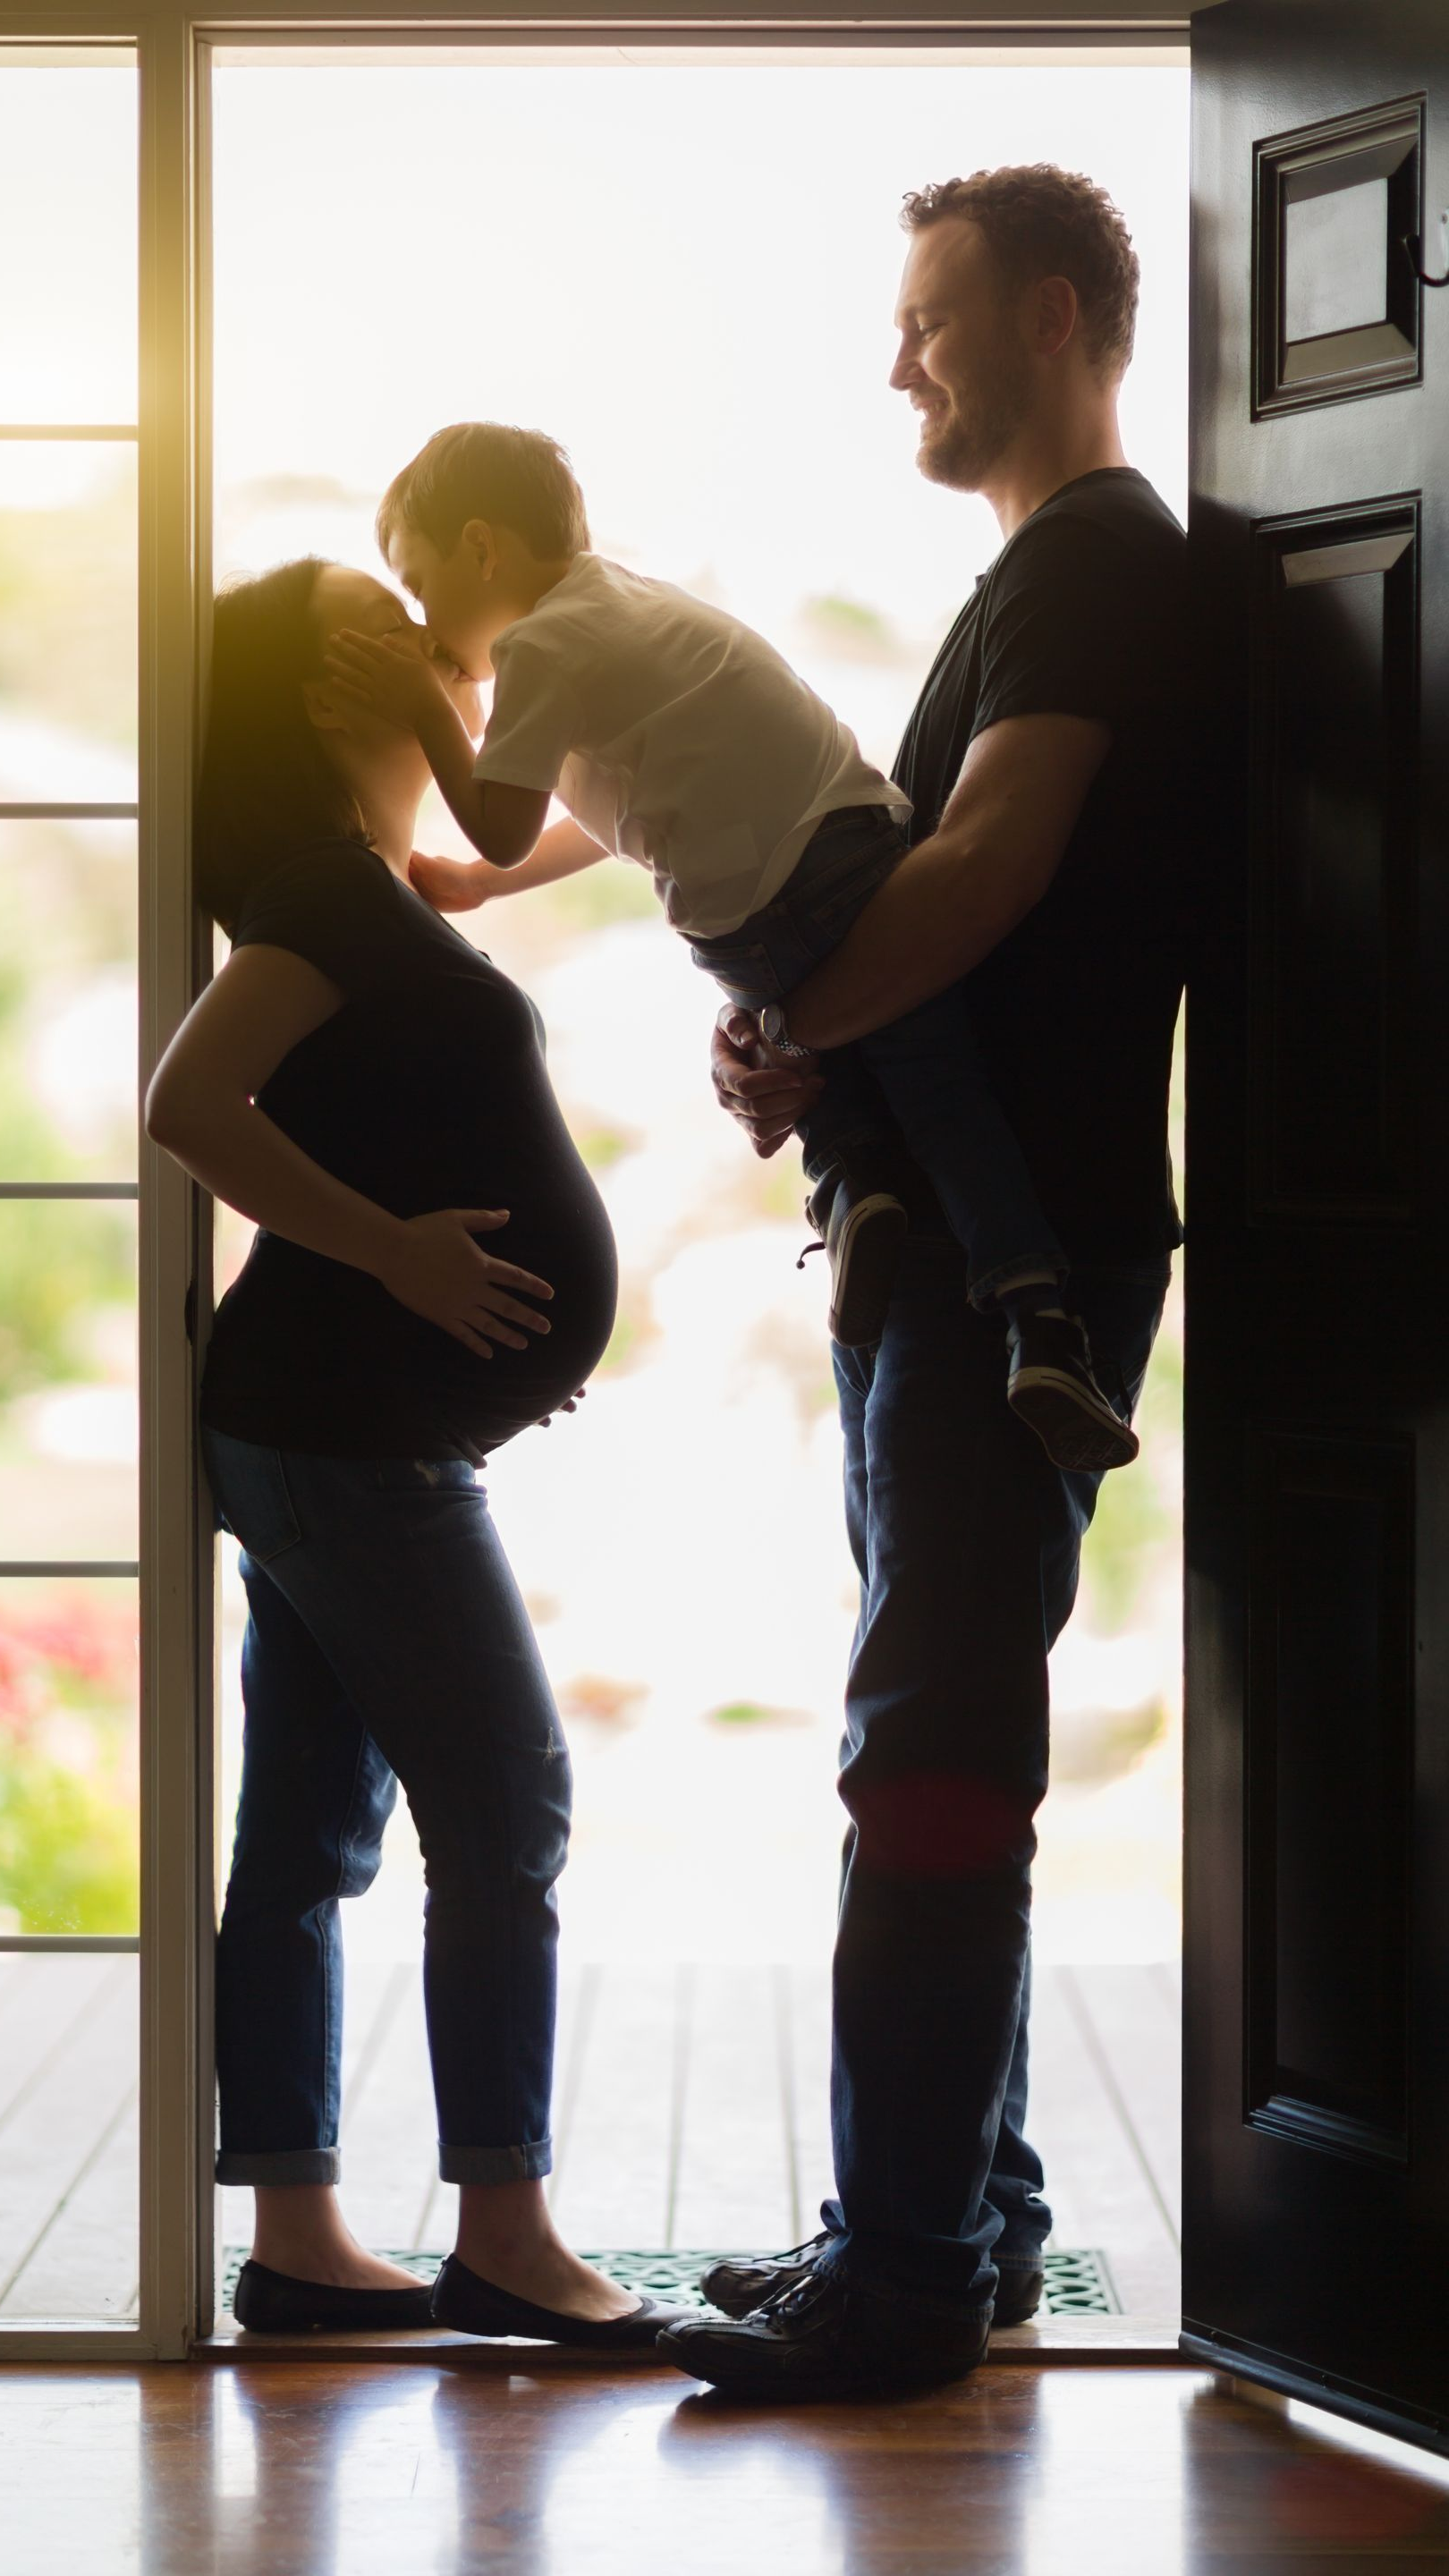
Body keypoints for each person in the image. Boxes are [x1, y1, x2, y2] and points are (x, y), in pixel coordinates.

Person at [655, 165, 1195, 2398]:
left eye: (931, 321)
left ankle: (897, 2283)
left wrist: (820, 1013)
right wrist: (796, 1041)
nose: (899, 360)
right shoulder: (1028, 579)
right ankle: (964, 2230)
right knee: (940, 1736)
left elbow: (976, 876)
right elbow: (916, 943)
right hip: (944, 1267)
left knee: (924, 1756)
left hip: (1017, 1272)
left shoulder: (1093, 567)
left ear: (1055, 317)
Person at [146, 555, 686, 2350]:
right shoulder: (313, 892)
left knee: (308, 1830)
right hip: (339, 1435)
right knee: (510, 1800)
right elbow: (187, 1103)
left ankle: (299, 2240)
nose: (408, 626)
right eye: (365, 615)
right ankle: (508, 2227)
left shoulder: (378, 885)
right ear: (317, 691)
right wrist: (399, 1253)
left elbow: (499, 858)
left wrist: (503, 1334)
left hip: (345, 1427)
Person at [321, 424, 1138, 1473]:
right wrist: (488, 887)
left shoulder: (535, 648)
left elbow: (501, 818)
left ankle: (852, 1181)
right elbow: (618, 815)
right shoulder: (628, 601)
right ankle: (1041, 1325)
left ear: (483, 548)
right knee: (945, 1094)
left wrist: (424, 714)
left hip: (759, 921)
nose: (427, 619)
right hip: (864, 851)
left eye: (421, 583)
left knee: (784, 1017)